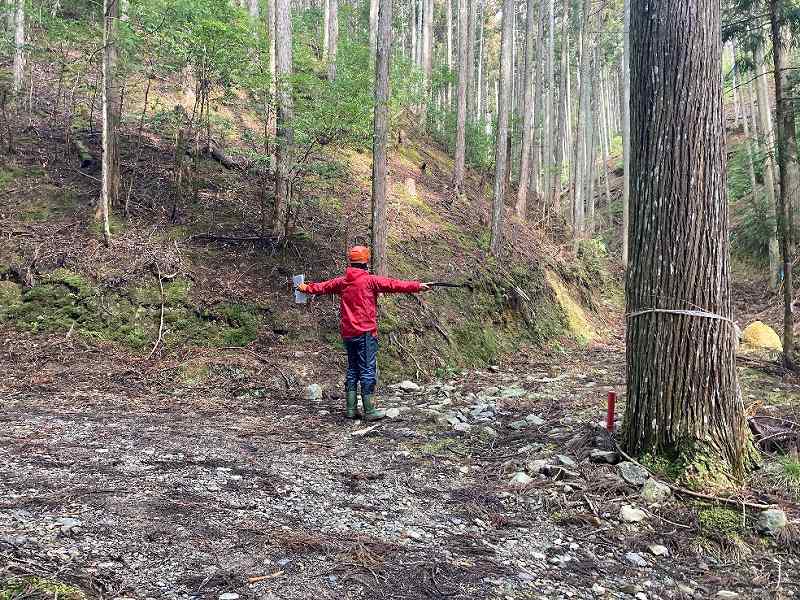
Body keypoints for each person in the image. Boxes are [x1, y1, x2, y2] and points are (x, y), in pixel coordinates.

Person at [297, 246, 429, 421]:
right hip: (365, 333)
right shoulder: (369, 281)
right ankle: (369, 411)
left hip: (348, 333)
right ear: (365, 262)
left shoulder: (343, 281)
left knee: (352, 369)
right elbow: (394, 284)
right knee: (367, 370)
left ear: (351, 262)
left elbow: (322, 287)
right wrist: (417, 286)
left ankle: (351, 410)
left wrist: (305, 287)